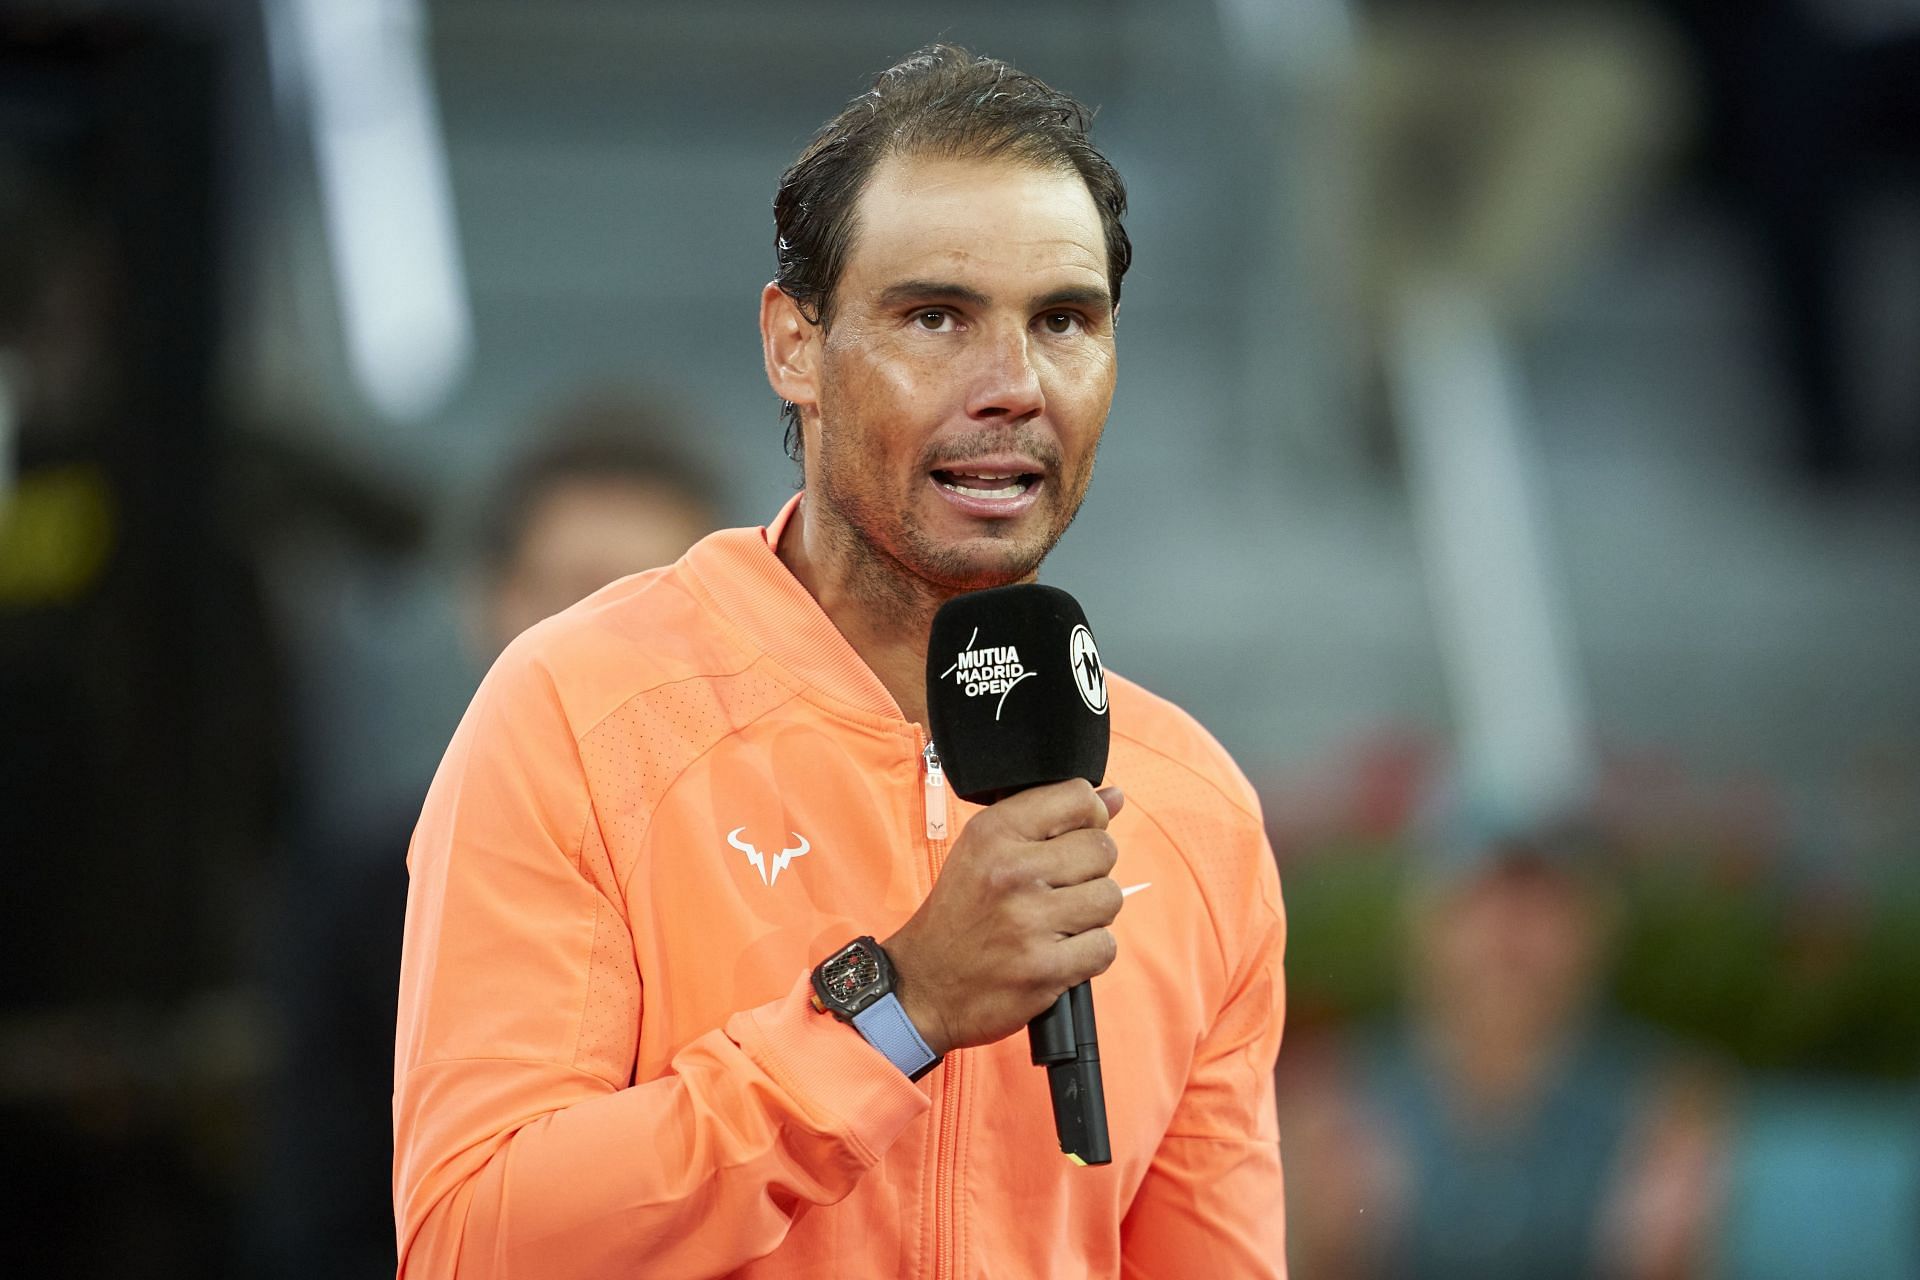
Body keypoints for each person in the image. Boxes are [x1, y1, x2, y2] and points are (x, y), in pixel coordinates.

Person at [393, 44, 1288, 1280]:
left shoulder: (1196, 807)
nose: (1015, 386)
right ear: (794, 346)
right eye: (936, 316)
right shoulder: (578, 714)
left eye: (1065, 321)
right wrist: (895, 1010)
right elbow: (473, 1241)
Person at [252, 400, 721, 1279]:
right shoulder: (361, 896)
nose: (616, 644)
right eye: (579, 597)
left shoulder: (785, 869)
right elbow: (319, 1220)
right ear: (490, 606)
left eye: (662, 601)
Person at [1277, 817, 1724, 1279]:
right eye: (1484, 900)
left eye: (1543, 907)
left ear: (1595, 929)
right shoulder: (1332, 1094)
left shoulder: (1668, 1101)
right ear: (1425, 921)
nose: (1510, 936)